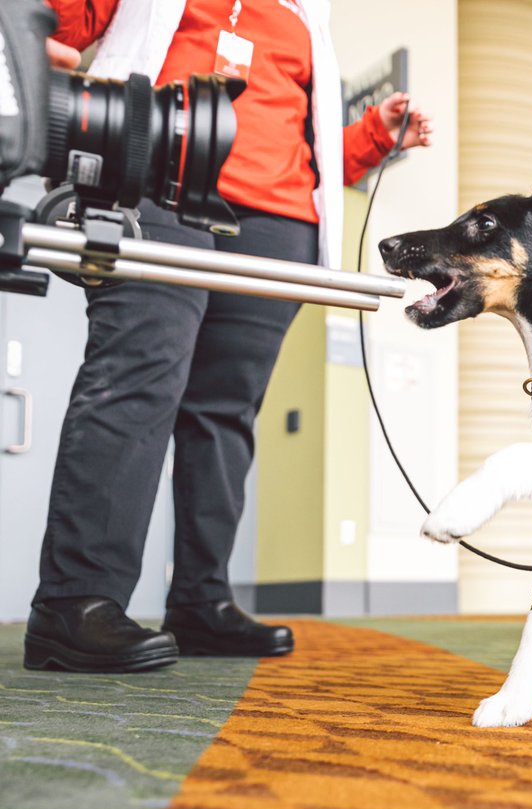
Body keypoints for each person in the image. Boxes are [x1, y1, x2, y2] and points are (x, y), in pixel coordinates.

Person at [23, 0, 432, 673]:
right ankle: (76, 602)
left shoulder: (305, 16)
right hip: (154, 187)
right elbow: (61, 21)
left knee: (226, 414)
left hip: (277, 222)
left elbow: (316, 149)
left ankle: (200, 600)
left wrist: (371, 135)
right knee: (137, 382)